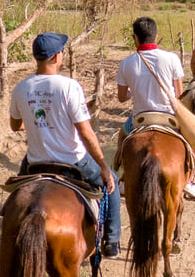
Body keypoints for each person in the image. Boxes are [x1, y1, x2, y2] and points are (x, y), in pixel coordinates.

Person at [9, 31, 120, 257]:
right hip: (73, 160)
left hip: (35, 162)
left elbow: (15, 125)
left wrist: (38, 123)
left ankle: (10, 234)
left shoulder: (21, 88)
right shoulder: (69, 86)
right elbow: (85, 132)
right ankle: (112, 240)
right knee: (112, 184)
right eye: (61, 52)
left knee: (15, 196)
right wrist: (103, 166)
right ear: (56, 57)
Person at [116, 16, 195, 200]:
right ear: (156, 36)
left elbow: (122, 97)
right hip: (169, 116)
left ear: (135, 37)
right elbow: (178, 92)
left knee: (123, 136)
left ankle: (123, 177)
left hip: (140, 118)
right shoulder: (171, 58)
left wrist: (134, 91)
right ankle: (192, 180)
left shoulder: (126, 63)